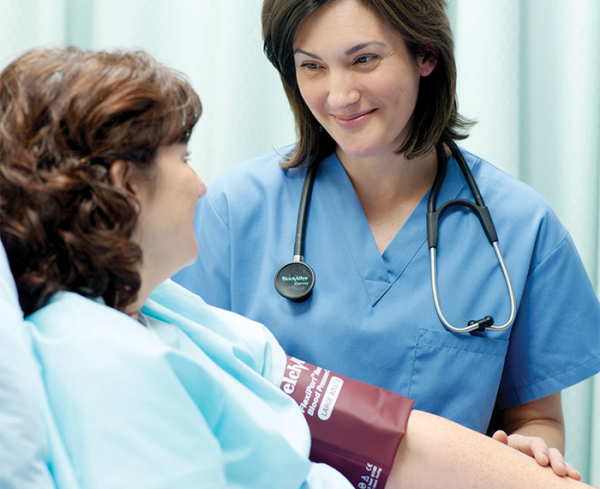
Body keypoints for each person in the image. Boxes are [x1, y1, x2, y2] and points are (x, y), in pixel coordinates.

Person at [0, 46, 596, 489]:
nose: (203, 185)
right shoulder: (107, 360)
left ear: (425, 56)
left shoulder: (178, 317)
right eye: (182, 156)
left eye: (363, 60)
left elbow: (373, 432)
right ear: (128, 184)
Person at [172, 0, 600, 479]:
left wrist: (529, 452)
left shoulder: (521, 228)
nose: (339, 95)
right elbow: (184, 393)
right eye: (312, 66)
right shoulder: (235, 210)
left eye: (364, 60)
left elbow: (535, 417)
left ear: (426, 54)